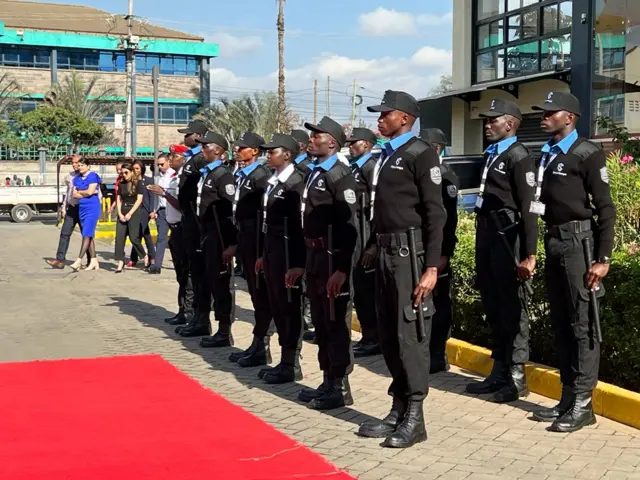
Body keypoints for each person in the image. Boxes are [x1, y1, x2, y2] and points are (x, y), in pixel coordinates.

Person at [357, 90, 446, 449]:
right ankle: (397, 408)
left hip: (411, 256)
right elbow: (384, 210)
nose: (379, 119)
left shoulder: (420, 154)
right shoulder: (386, 155)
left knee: (410, 336)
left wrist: (431, 268)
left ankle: (415, 417)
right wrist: (374, 245)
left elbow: (435, 214)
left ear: (405, 118)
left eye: (385, 114)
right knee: (389, 335)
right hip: (386, 252)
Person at [529, 92, 615, 432]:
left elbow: (606, 208)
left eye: (551, 112)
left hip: (580, 245)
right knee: (563, 323)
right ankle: (567, 397)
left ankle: (583, 404)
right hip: (554, 242)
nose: (544, 117)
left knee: (583, 324)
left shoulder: (587, 153)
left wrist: (602, 258)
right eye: (543, 111)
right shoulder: (547, 154)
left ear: (570, 117)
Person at [464, 99, 537, 404]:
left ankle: (517, 378)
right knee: (494, 305)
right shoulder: (493, 154)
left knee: (512, 308)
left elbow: (530, 207)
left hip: (509, 238)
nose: (488, 124)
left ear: (509, 124)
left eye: (493, 120)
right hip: (488, 233)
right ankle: (500, 370)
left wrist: (529, 254)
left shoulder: (519, 156)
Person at [296, 116, 358, 411]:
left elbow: (350, 227)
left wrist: (343, 269)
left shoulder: (339, 175)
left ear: (332, 143)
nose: (311, 139)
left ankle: (340, 386)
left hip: (333, 258)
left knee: (335, 322)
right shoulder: (314, 172)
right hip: (314, 256)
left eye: (317, 136)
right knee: (320, 322)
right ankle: (327, 379)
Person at [257, 134, 308, 384]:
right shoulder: (274, 180)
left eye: (272, 151)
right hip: (272, 249)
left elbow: (300, 228)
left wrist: (299, 263)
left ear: (287, 154)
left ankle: (291, 362)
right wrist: (262, 255)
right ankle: (284, 360)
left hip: (288, 253)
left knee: (289, 308)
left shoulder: (296, 182)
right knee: (277, 305)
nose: (268, 155)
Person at [225, 131, 276, 368]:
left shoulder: (260, 176)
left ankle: (262, 346)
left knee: (261, 296)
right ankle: (257, 344)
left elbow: (264, 213)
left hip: (257, 239)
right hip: (244, 237)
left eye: (242, 147)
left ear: (255, 151)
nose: (238, 150)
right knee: (256, 296)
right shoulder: (242, 175)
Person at [188, 131, 236, 348]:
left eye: (205, 147)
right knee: (208, 280)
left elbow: (228, 212)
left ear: (217, 150)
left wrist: (230, 244)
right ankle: (211, 324)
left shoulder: (223, 175)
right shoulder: (207, 173)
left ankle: (224, 331)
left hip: (219, 236)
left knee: (221, 283)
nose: (202, 150)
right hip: (206, 232)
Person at [419, 128, 460, 374]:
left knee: (440, 303)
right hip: (423, 247)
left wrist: (444, 253)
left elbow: (449, 218)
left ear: (436, 148)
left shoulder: (446, 176)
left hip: (439, 251)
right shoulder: (426, 174)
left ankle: (437, 353)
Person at [148, 151, 194, 325]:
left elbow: (182, 205)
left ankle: (189, 311)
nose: (170, 160)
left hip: (183, 228)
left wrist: (164, 194)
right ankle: (182, 309)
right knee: (180, 274)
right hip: (174, 228)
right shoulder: (173, 177)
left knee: (187, 273)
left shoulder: (184, 179)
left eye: (174, 157)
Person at [346, 128, 380, 358]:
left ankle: (373, 338)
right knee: (359, 288)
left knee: (368, 290)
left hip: (367, 234)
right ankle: (367, 335)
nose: (350, 146)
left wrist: (373, 244)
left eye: (354, 143)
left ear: (367, 144)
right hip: (356, 234)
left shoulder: (371, 168)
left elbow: (377, 207)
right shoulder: (355, 167)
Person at [174, 120, 209, 334]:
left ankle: (201, 318)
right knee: (191, 270)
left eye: (187, 134)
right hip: (187, 218)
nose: (184, 137)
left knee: (199, 272)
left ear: (197, 135)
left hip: (196, 221)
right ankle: (194, 315)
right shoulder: (191, 158)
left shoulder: (199, 159)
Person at [47, 155, 91, 269]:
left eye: (77, 162)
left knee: (86, 235)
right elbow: (68, 192)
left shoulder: (90, 176)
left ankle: (91, 260)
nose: (74, 164)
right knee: (64, 233)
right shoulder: (70, 176)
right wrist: (64, 207)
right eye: (73, 162)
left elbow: (96, 194)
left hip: (84, 209)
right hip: (72, 208)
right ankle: (60, 259)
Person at [69, 158, 102, 272]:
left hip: (92, 207)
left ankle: (79, 260)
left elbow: (90, 192)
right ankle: (94, 260)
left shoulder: (93, 176)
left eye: (83, 165)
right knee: (88, 234)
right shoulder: (77, 178)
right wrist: (87, 192)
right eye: (79, 165)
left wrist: (83, 192)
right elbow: (74, 194)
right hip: (82, 207)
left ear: (88, 166)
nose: (80, 167)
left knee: (86, 234)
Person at [114, 163, 147, 273]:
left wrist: (130, 213)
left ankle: (144, 256)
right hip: (122, 210)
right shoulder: (121, 183)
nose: (124, 175)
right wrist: (119, 213)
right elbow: (118, 199)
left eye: (126, 172)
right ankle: (120, 261)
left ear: (132, 172)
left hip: (133, 211)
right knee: (119, 238)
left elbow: (139, 200)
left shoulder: (138, 183)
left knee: (134, 238)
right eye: (122, 173)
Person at [148, 154, 173, 275]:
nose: (159, 167)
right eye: (158, 165)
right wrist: (154, 210)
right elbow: (155, 195)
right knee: (161, 238)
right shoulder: (157, 176)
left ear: (169, 162)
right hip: (161, 210)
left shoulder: (174, 174)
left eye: (162, 164)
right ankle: (157, 265)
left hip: (174, 209)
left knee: (176, 239)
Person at [129, 160, 155, 269]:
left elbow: (152, 196)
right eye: (134, 169)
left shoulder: (148, 180)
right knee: (136, 234)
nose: (135, 171)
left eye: (137, 168)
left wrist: (151, 210)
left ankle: (151, 256)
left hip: (144, 209)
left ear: (142, 169)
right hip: (134, 209)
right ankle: (134, 257)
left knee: (144, 232)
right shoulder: (131, 181)